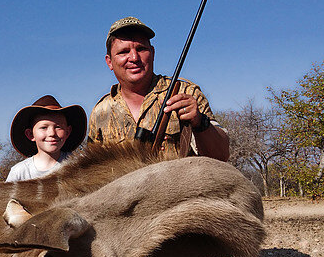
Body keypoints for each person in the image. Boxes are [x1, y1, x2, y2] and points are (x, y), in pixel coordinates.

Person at [88, 16, 230, 161]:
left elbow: (221, 156)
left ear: (153, 53)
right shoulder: (100, 111)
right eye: (123, 52)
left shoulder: (186, 93)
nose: (134, 57)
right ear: (109, 62)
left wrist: (201, 122)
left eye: (141, 49)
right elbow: (93, 171)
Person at [6, 95, 87, 182]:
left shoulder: (78, 164)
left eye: (58, 127)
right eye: (44, 128)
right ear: (30, 135)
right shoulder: (19, 172)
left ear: (67, 132)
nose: (52, 133)